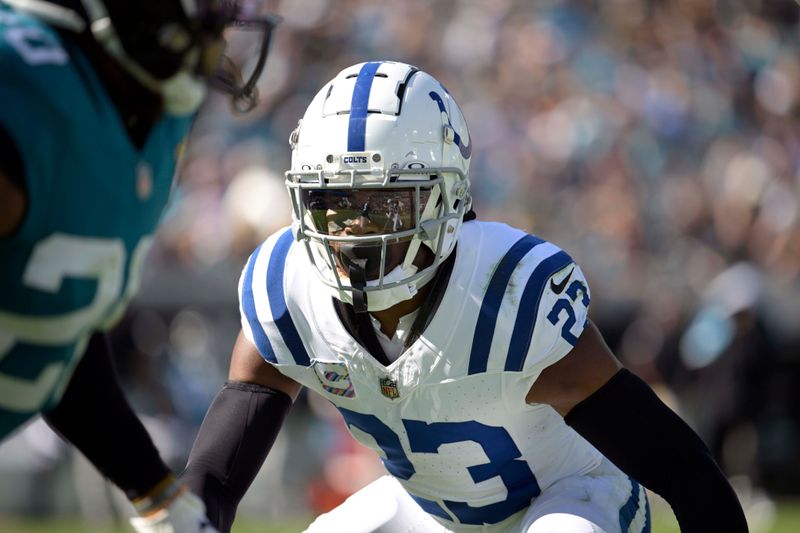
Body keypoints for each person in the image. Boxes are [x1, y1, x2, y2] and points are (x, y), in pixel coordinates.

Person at [180, 61, 749, 533]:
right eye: (335, 202)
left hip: (573, 499)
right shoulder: (289, 289)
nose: (354, 229)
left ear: (444, 200)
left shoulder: (506, 296)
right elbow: (212, 480)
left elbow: (682, 468)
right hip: (432, 512)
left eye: (382, 203)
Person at [0, 1, 278, 531]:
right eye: (203, 16)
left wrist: (155, 493)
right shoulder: (19, 89)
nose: (218, 36)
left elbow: (52, 324)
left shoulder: (135, 112)